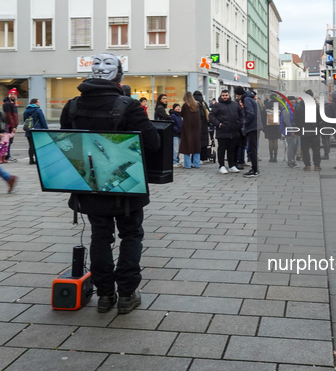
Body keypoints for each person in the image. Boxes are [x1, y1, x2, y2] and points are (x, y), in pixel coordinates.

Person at [60, 53, 160, 314]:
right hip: (126, 189)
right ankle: (126, 294)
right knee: (131, 235)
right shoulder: (129, 106)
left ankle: (105, 296)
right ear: (119, 76)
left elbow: (65, 146)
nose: (101, 67)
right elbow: (152, 143)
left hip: (90, 186)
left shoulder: (71, 106)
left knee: (100, 237)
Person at [208, 90, 241, 174]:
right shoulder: (217, 105)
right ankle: (221, 166)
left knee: (231, 149)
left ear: (229, 95)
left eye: (226, 95)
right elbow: (211, 116)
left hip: (233, 131)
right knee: (221, 149)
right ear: (221, 96)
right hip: (222, 131)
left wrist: (239, 124)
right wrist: (218, 124)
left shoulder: (234, 104)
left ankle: (231, 165)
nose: (225, 97)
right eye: (223, 95)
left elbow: (241, 115)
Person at [235, 86, 259, 178]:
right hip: (255, 126)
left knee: (251, 149)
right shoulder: (250, 98)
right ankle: (255, 168)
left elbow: (250, 114)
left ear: (238, 95)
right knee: (252, 149)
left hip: (252, 127)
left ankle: (254, 170)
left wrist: (245, 124)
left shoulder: (247, 100)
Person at [294, 90, 322, 171]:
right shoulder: (316, 106)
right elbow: (321, 119)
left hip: (303, 132)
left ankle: (307, 165)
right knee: (316, 149)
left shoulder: (299, 106)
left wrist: (297, 131)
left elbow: (295, 120)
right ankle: (317, 165)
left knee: (305, 149)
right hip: (315, 132)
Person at [178, 92, 202, 169]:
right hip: (196, 128)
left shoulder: (185, 105)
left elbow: (182, 114)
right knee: (196, 146)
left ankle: (187, 165)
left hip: (187, 128)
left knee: (186, 146)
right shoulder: (197, 105)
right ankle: (197, 164)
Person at [22, 98, 49, 165]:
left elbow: (25, 121)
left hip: (29, 131)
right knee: (37, 146)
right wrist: (46, 129)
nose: (39, 103)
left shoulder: (26, 111)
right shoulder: (38, 110)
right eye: (38, 102)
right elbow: (43, 121)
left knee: (31, 146)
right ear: (35, 103)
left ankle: (31, 160)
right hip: (37, 131)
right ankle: (37, 160)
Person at [280, 97, 299, 168]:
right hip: (289, 131)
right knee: (291, 147)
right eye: (290, 100)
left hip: (297, 131)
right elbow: (287, 121)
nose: (292, 101)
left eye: (293, 99)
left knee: (296, 147)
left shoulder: (296, 107)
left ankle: (293, 160)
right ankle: (290, 161)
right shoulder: (286, 109)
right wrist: (291, 131)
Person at [193, 91, 211, 162]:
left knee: (196, 142)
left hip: (195, 126)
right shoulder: (204, 104)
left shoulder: (193, 104)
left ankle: (195, 159)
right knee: (204, 142)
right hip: (204, 126)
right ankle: (204, 157)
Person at [261, 97, 281, 162]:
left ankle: (271, 157)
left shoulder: (267, 105)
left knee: (270, 141)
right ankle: (275, 157)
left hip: (268, 125)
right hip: (277, 126)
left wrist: (263, 127)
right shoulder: (278, 105)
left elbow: (263, 116)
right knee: (275, 141)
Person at [2, 88, 19, 162]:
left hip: (12, 125)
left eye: (14, 94)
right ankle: (6, 156)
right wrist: (13, 127)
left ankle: (7, 155)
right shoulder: (7, 104)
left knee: (9, 141)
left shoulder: (12, 103)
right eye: (11, 94)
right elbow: (9, 116)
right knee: (7, 141)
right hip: (9, 126)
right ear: (8, 95)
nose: (13, 95)